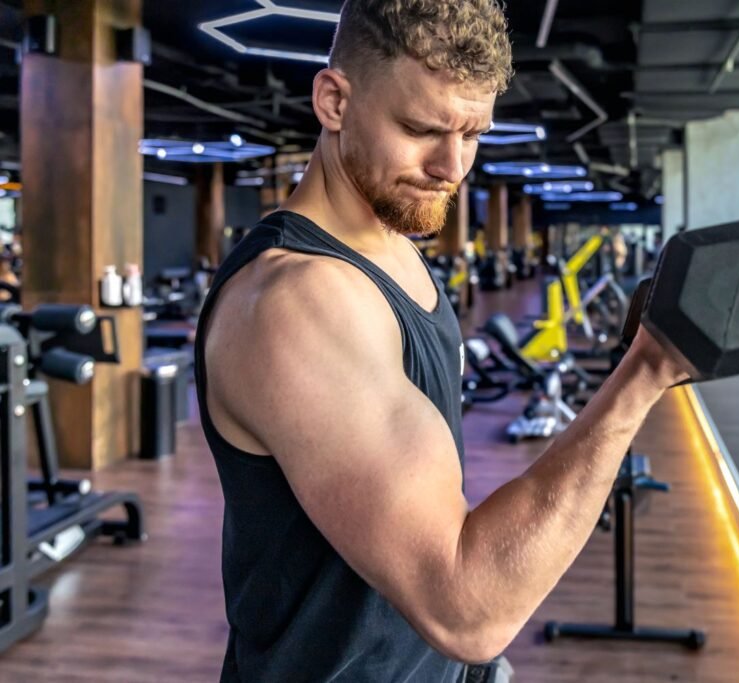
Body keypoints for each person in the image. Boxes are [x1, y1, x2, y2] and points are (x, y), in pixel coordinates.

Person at [195, 1, 688, 680]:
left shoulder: (391, 244)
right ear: (334, 101)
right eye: (421, 127)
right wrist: (645, 373)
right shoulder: (296, 303)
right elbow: (466, 607)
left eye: (473, 133)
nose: (451, 165)